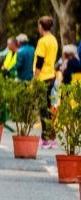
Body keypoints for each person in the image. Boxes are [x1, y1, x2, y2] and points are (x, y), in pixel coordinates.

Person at [34, 16, 59, 149]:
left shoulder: (42, 41)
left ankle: (46, 138)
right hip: (51, 75)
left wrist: (35, 79)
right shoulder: (54, 40)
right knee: (48, 107)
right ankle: (51, 138)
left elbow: (39, 62)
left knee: (43, 109)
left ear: (41, 27)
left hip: (43, 77)